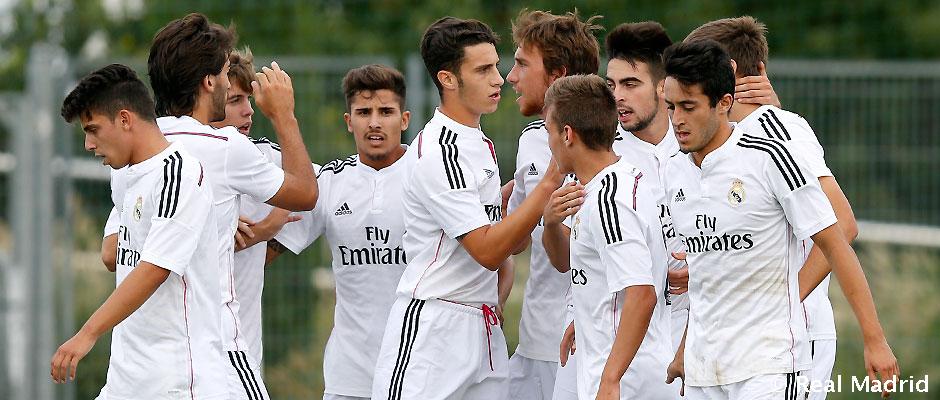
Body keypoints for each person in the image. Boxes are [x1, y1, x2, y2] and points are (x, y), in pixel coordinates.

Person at [660, 40, 898, 399]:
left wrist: (874, 338)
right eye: (671, 107)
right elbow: (708, 272)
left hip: (769, 367)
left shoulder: (770, 157)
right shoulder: (674, 172)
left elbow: (836, 244)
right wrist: (684, 349)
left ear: (724, 103)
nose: (677, 119)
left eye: (688, 107)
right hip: (704, 371)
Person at [109, 13, 319, 400]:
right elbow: (306, 193)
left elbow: (112, 253)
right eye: (224, 75)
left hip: (143, 357)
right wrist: (284, 115)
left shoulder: (134, 151)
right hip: (215, 349)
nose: (226, 83)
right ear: (208, 82)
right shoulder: (223, 147)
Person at [370, 17, 562, 400]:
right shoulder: (441, 150)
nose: (499, 79)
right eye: (483, 70)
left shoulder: (479, 142)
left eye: (496, 65)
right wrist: (548, 183)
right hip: (435, 326)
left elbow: (508, 245)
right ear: (448, 79)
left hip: (483, 324)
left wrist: (515, 210)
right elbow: (488, 251)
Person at [51, 64, 228, 400]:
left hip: (175, 383)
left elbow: (154, 269)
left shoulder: (179, 174)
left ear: (124, 119)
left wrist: (87, 333)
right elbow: (112, 256)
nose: (88, 144)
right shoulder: (127, 175)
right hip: (126, 379)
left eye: (93, 130)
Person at [268, 64, 412, 400]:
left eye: (385, 112)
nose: (374, 122)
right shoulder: (330, 181)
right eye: (363, 112)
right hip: (349, 378)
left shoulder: (427, 176)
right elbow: (266, 253)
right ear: (349, 121)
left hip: (418, 372)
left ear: (404, 120)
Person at [544, 73, 675, 399]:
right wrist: (587, 322)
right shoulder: (612, 184)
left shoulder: (609, 200)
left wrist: (611, 379)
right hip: (622, 368)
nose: (549, 143)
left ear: (567, 134)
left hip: (629, 382)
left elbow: (641, 293)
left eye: (549, 131)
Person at [503, 9, 601, 400]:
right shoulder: (530, 141)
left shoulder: (621, 148)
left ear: (557, 76)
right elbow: (516, 242)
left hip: (594, 342)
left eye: (522, 64)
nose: (511, 77)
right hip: (537, 339)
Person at [206, 46, 305, 373]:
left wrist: (266, 239)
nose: (249, 111)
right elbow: (111, 252)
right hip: (188, 350)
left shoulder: (266, 159)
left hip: (243, 353)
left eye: (249, 99)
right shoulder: (174, 160)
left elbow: (319, 197)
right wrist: (224, 230)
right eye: (235, 100)